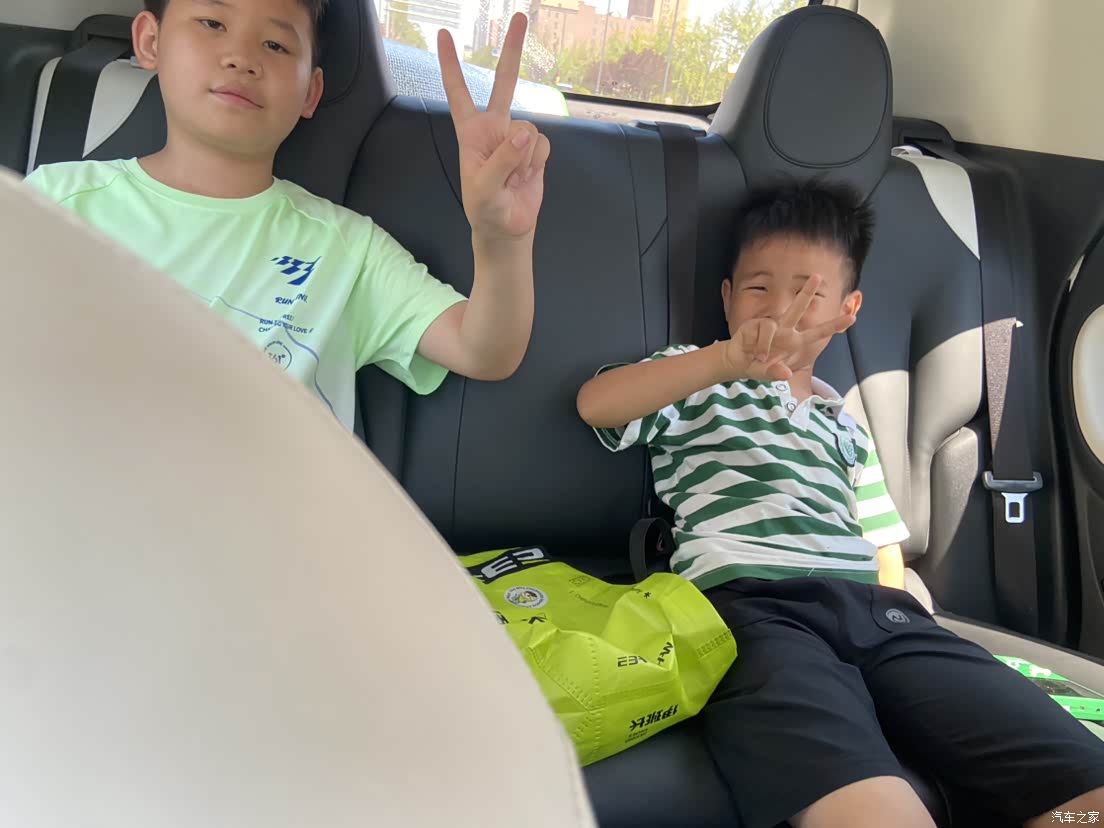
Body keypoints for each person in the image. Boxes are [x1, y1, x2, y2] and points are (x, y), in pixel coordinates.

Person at [576, 179, 1104, 828]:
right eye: (758, 289)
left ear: (847, 311)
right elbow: (597, 405)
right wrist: (722, 361)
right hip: (749, 606)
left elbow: (881, 543)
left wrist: (900, 617)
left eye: (808, 293)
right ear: (727, 298)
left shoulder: (844, 423)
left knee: (1083, 790)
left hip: (876, 615)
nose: (779, 311)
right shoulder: (695, 378)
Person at [24, 0, 550, 430]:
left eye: (275, 45)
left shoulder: (346, 247)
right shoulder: (55, 202)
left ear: (310, 92)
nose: (241, 57)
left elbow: (484, 351)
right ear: (150, 41)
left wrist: (500, 239)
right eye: (212, 23)